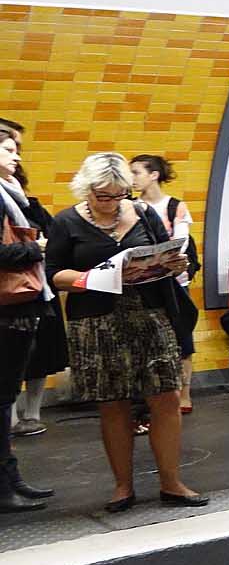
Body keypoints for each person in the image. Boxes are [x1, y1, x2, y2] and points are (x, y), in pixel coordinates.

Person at [38, 153, 205, 509]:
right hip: (97, 322)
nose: (112, 204)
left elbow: (169, 254)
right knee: (113, 404)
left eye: (119, 195)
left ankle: (172, 483)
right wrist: (93, 278)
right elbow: (55, 274)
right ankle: (122, 487)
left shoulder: (143, 213)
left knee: (166, 397)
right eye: (103, 196)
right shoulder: (66, 222)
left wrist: (175, 262)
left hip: (149, 316)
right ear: (86, 189)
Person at [0, 132, 55, 510]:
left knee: (4, 400)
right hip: (6, 310)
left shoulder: (12, 195)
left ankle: (11, 479)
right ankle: (5, 487)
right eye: (7, 149)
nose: (16, 156)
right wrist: (35, 248)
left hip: (18, 311)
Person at [129, 154, 199, 414]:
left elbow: (179, 242)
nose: (132, 178)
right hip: (144, 282)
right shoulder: (131, 207)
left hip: (174, 281)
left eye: (136, 172)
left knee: (183, 338)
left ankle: (184, 393)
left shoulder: (175, 207)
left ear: (154, 174)